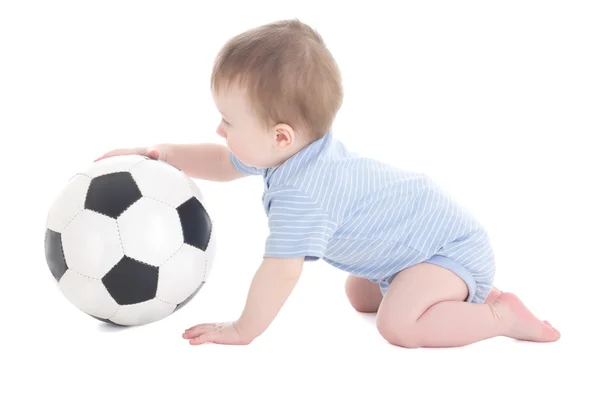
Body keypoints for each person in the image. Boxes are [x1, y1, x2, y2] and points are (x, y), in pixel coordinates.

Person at [96, 19, 560, 347]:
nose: (220, 131)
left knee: (399, 326)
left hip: (449, 251)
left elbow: (281, 270)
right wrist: (161, 154)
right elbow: (223, 161)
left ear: (281, 136)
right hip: (410, 247)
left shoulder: (304, 193)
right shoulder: (290, 152)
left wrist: (243, 329)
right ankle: (427, 290)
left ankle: (499, 316)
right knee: (361, 297)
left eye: (228, 121)